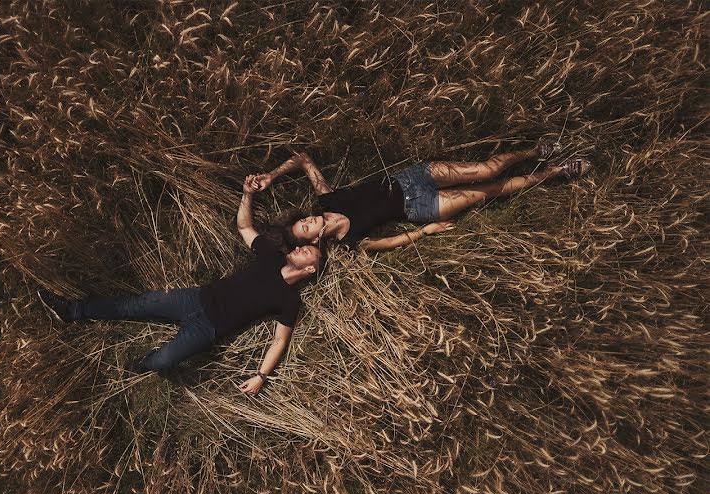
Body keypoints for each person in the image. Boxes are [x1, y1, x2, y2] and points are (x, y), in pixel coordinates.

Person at [37, 176, 323, 395]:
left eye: (307, 252)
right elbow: (245, 228)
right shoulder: (271, 255)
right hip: (194, 299)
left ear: (309, 270)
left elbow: (279, 341)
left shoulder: (289, 300)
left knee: (163, 363)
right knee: (136, 304)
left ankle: (143, 363)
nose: (300, 249)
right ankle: (73, 310)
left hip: (208, 329)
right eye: (303, 247)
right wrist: (247, 195)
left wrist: (261, 376)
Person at [253, 143, 591, 252]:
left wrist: (271, 175)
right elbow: (391, 243)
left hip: (410, 179)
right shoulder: (349, 240)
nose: (308, 221)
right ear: (312, 241)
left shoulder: (327, 200)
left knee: (486, 170)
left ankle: (536, 149)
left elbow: (302, 158)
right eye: (305, 229)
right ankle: (557, 171)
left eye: (302, 220)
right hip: (418, 208)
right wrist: (426, 232)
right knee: (488, 192)